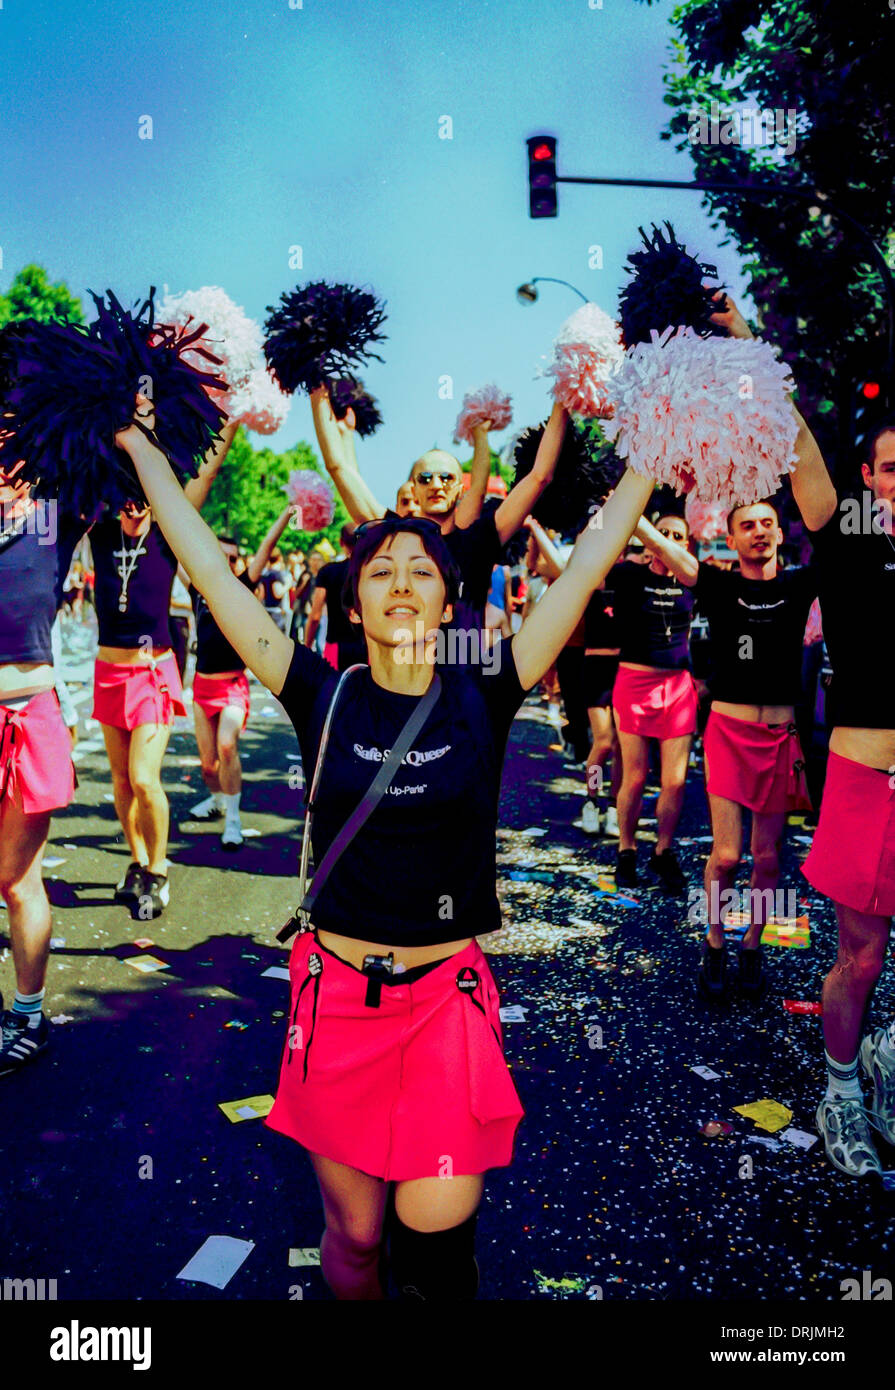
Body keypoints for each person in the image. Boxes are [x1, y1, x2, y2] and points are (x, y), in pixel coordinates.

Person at [115, 391, 656, 1300]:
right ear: (354, 601)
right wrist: (136, 444)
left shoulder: (488, 690)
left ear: (450, 599)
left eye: (421, 570)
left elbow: (586, 564)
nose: (401, 583)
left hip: (445, 1009)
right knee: (356, 1242)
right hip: (337, 1009)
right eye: (379, 572)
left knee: (433, 1247)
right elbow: (208, 570)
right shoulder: (320, 695)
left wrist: (651, 456)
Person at [713, 293, 895, 1177]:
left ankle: (883, 1061)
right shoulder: (848, 541)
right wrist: (749, 345)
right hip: (866, 782)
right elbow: (799, 445)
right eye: (891, 469)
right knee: (858, 957)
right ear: (869, 481)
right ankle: (839, 1094)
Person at [89, 420, 236, 918]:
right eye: (126, 499)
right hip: (108, 671)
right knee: (120, 781)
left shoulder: (168, 534)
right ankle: (135, 862)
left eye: (142, 498)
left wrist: (230, 425)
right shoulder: (102, 532)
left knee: (144, 778)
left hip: (151, 673)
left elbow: (201, 480)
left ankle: (159, 870)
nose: (134, 507)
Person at [311, 385, 567, 633]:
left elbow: (539, 476)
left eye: (446, 478)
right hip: (406, 673)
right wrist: (315, 387)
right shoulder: (396, 535)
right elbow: (339, 469)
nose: (436, 485)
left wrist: (564, 397)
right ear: (413, 488)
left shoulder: (479, 540)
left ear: (458, 488)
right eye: (425, 478)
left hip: (467, 675)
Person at [693, 500, 817, 1003]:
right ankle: (714, 940)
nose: (759, 532)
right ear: (733, 538)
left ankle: (752, 944)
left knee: (767, 857)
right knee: (726, 854)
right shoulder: (720, 585)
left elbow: (847, 550)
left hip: (780, 740)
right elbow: (670, 552)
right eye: (747, 525)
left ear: (780, 535)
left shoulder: (798, 584)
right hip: (727, 733)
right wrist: (628, 513)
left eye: (767, 524)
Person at [0, 461, 80, 1076]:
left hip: (29, 715)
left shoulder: (58, 511)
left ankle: (28, 1015)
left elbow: (153, 467)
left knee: (15, 877)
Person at [188, 504, 301, 848]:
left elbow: (266, 549)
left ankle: (233, 820)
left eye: (233, 558)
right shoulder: (198, 586)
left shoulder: (240, 586)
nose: (227, 563)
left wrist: (284, 514)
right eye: (220, 556)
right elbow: (176, 542)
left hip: (233, 685)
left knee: (227, 744)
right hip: (202, 687)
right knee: (208, 765)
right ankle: (219, 800)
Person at [610, 512, 698, 893]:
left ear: (687, 544)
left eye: (677, 535)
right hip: (634, 681)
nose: (667, 539)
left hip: (677, 686)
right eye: (661, 532)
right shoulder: (629, 574)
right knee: (635, 776)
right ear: (648, 539)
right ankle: (626, 849)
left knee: (674, 781)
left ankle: (663, 851)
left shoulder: (693, 578)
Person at [304, 525, 368, 672]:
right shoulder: (371, 571)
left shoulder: (328, 571)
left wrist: (307, 645)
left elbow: (315, 615)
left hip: (336, 644)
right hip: (367, 645)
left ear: (341, 542)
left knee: (334, 691)